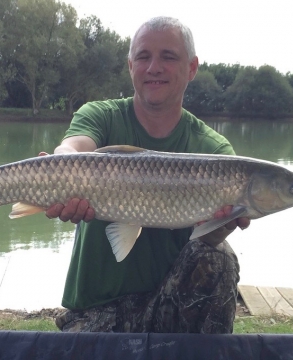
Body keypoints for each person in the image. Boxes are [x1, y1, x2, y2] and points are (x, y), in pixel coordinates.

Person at [45, 16, 250, 333]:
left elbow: (205, 242)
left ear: (192, 68)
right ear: (130, 66)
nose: (154, 67)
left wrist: (220, 228)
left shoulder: (214, 151)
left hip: (171, 307)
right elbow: (74, 147)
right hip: (94, 311)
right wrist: (62, 164)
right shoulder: (101, 115)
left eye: (168, 57)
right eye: (143, 57)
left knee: (220, 255)